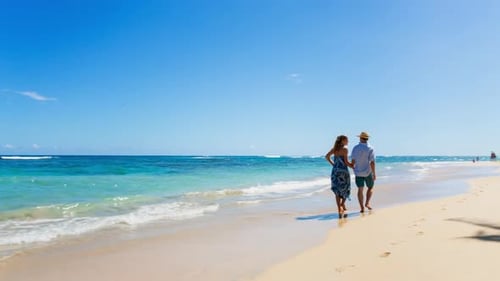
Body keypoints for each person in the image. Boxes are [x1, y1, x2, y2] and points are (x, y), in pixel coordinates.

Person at [325, 135, 354, 218]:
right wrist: (352, 166)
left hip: (335, 171)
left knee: (337, 191)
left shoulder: (334, 149)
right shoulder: (345, 149)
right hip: (343, 172)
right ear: (342, 141)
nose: (348, 141)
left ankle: (339, 208)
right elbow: (346, 162)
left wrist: (333, 165)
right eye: (346, 140)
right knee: (346, 188)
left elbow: (327, 156)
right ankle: (342, 204)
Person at [351, 131, 376, 213]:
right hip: (367, 172)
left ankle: (362, 208)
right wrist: (374, 173)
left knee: (360, 190)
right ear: (367, 138)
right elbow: (372, 162)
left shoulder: (355, 148)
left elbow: (353, 161)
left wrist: (353, 168)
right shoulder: (370, 148)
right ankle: (367, 203)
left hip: (358, 172)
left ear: (360, 138)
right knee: (370, 187)